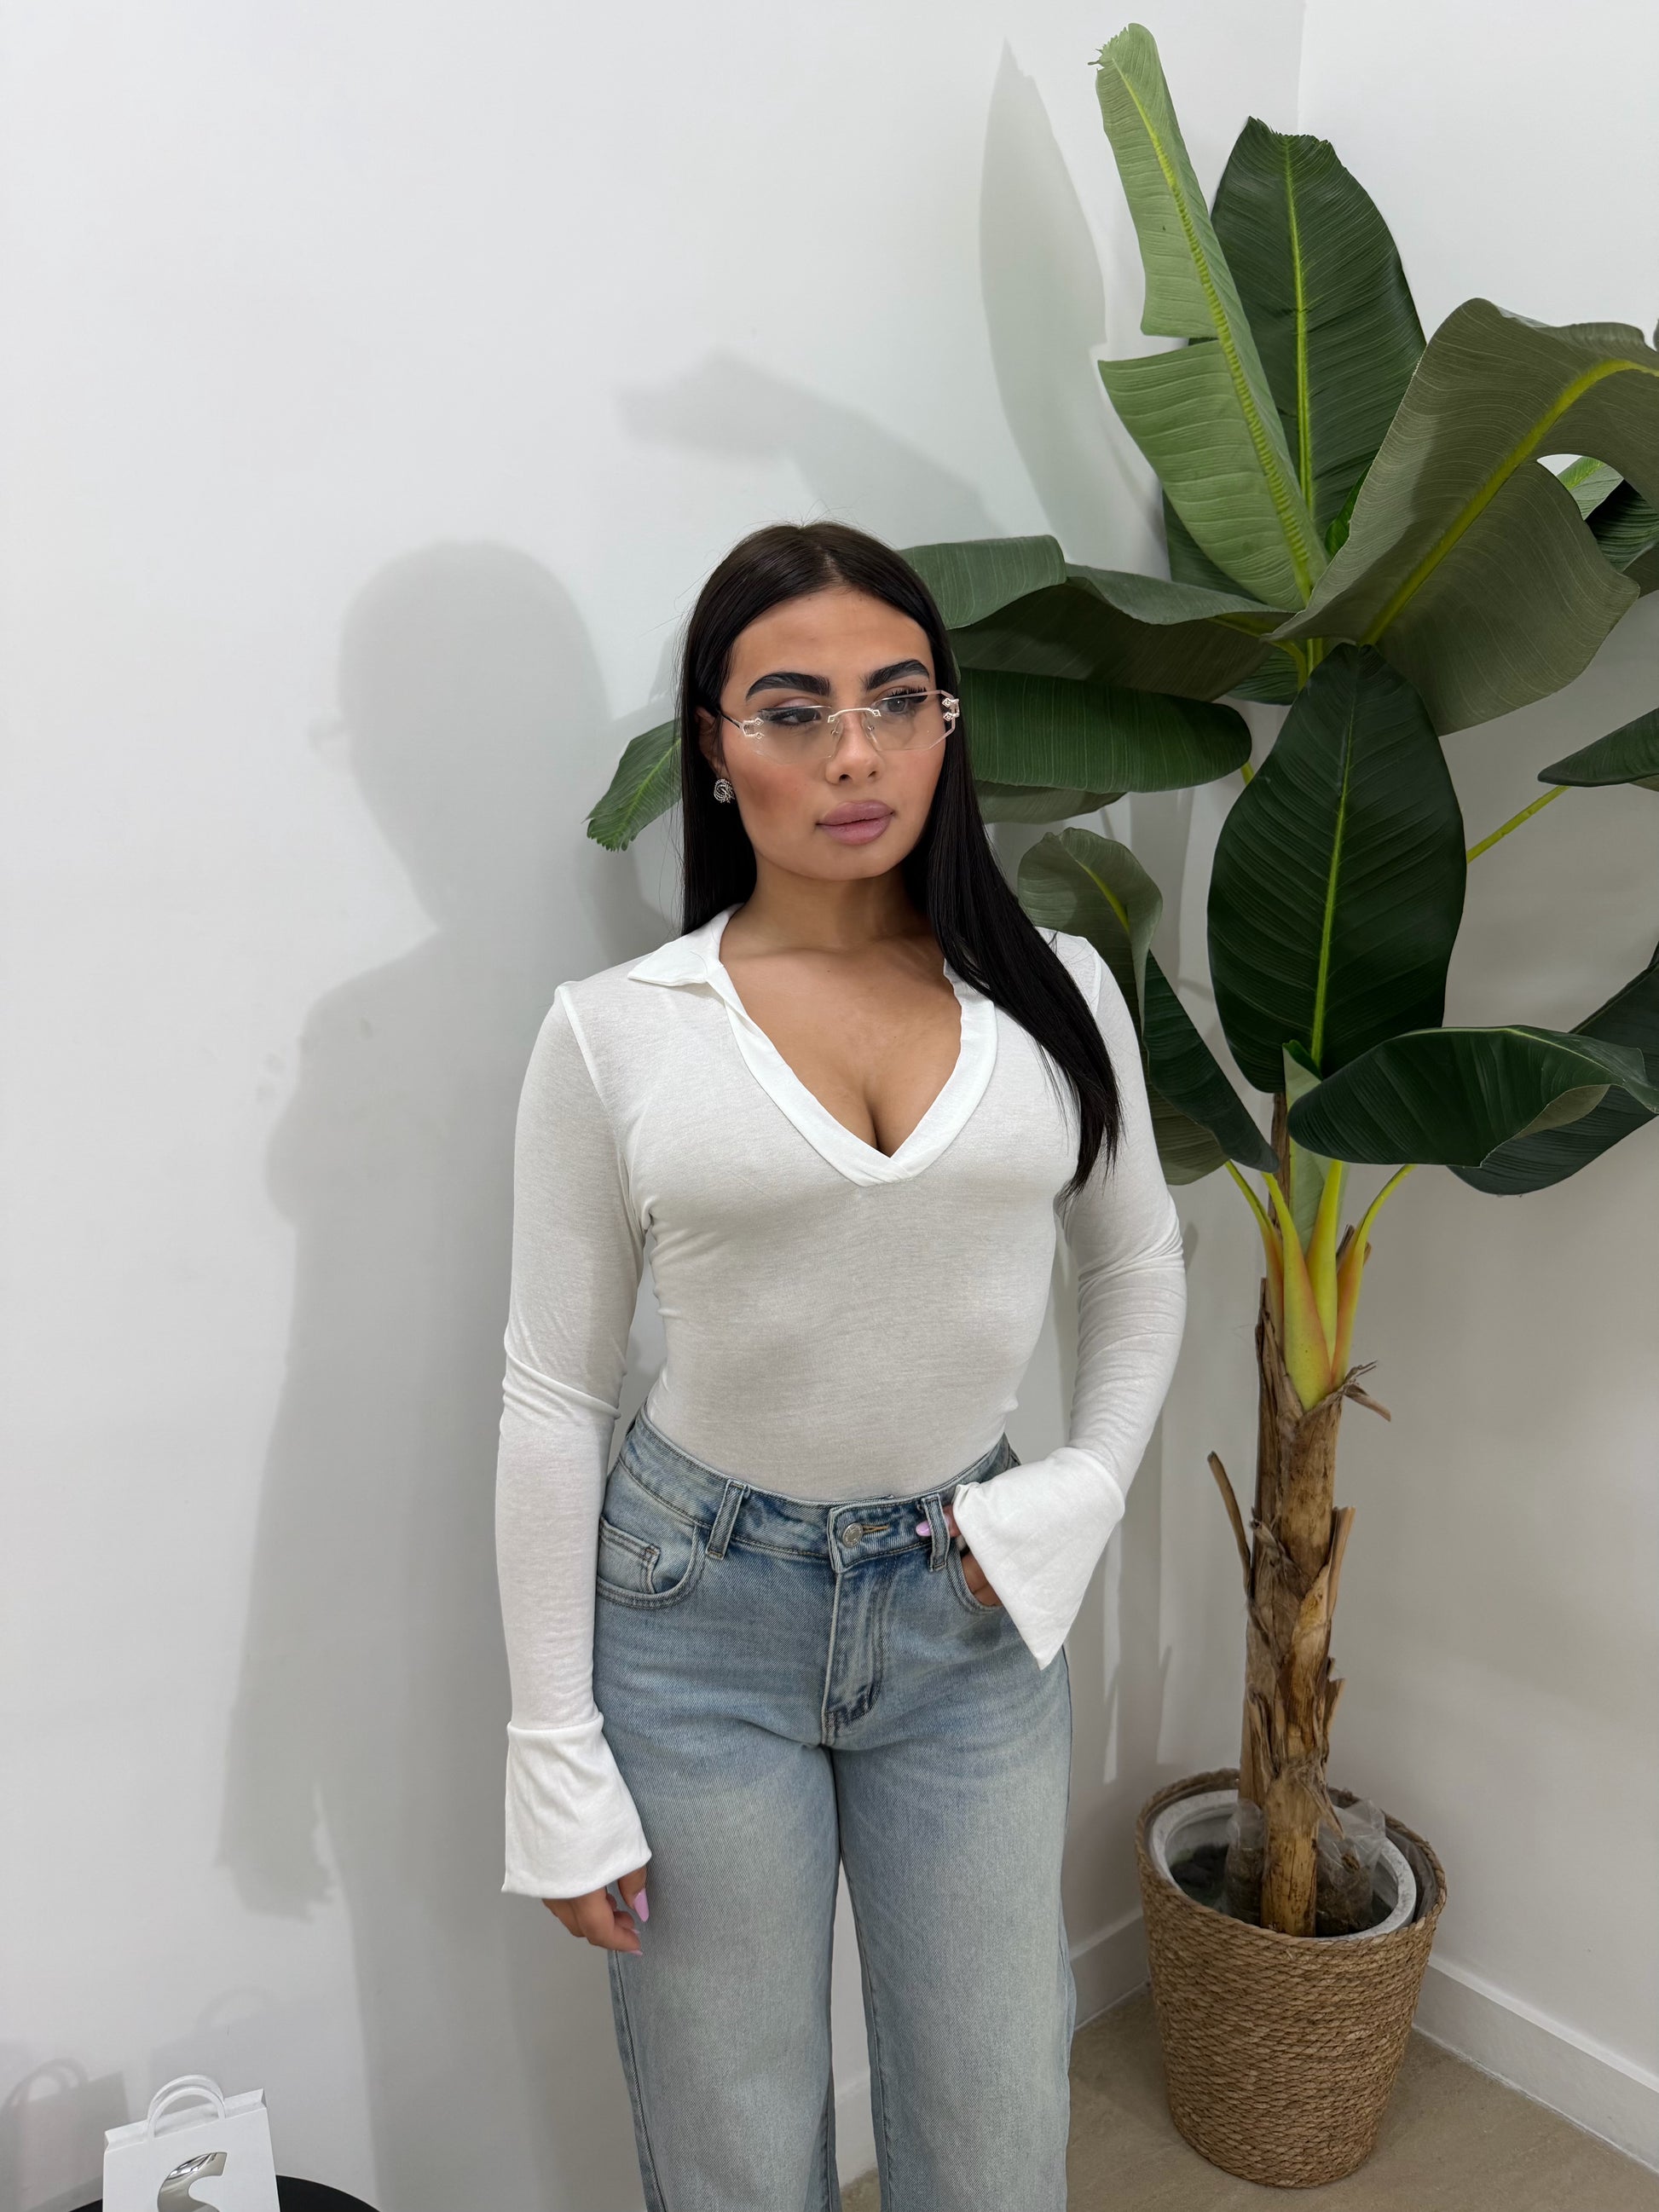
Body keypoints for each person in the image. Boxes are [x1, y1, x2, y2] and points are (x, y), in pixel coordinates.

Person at [493, 521, 1187, 2212]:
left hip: (970, 1610)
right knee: (730, 2132)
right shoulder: (618, 1030)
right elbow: (553, 1393)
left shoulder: (1059, 993)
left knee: (995, 2118)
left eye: (896, 699)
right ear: (715, 748)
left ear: (948, 723)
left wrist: (1086, 1485)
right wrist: (553, 1748)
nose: (853, 753)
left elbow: (1135, 1263)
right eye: (792, 711)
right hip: (693, 1620)